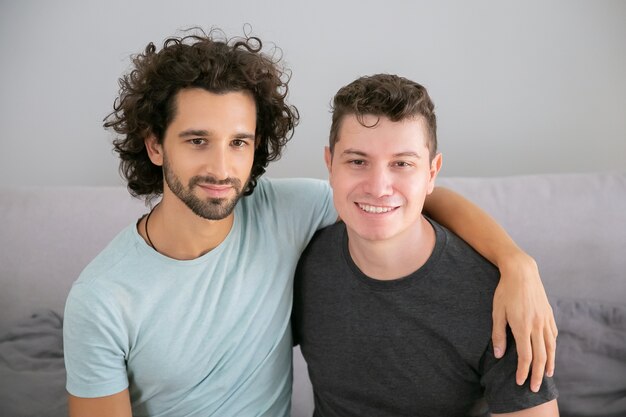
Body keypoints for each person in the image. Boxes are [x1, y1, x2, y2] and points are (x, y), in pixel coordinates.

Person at [63, 29, 556, 417]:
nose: (220, 167)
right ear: (155, 146)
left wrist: (517, 264)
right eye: (196, 141)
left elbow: (407, 202)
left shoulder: (285, 212)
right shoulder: (102, 299)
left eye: (239, 142)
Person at [293, 74, 559, 416]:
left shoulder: (500, 300)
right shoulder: (301, 259)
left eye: (402, 164)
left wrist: (517, 263)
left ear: (432, 173)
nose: (378, 187)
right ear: (330, 165)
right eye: (357, 161)